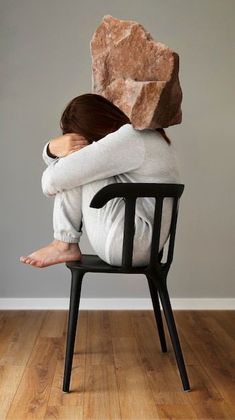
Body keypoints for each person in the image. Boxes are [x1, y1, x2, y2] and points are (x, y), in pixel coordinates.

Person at [19, 93, 181, 268]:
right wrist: (51, 151)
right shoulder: (142, 136)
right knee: (76, 168)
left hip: (126, 246)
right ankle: (63, 243)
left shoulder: (129, 138)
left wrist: (51, 148)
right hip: (144, 247)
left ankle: (63, 244)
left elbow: (51, 181)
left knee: (74, 169)